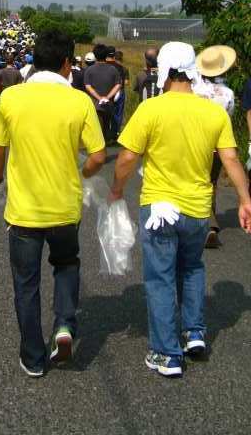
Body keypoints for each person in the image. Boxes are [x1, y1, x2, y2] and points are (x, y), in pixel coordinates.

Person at [111, 42, 251, 379]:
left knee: (160, 278)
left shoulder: (151, 110)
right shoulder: (214, 112)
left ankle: (166, 353)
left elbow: (128, 156)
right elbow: (230, 158)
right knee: (192, 268)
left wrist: (116, 190)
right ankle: (194, 334)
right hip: (198, 208)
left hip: (160, 207)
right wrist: (246, 200)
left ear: (163, 69)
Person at [0, 30, 106, 377]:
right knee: (66, 266)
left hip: (23, 212)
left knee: (26, 284)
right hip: (65, 208)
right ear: (67, 63)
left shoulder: (11, 98)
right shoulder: (79, 101)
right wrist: (81, 173)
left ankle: (33, 357)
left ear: (35, 60)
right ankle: (65, 326)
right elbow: (99, 156)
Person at [194, 46, 236, 248]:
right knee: (211, 183)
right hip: (217, 146)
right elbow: (230, 117)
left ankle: (200, 222)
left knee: (194, 180)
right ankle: (208, 222)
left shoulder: (193, 91)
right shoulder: (227, 94)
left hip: (194, 144)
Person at [84, 44, 122, 142]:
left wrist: (99, 97)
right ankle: (104, 148)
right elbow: (118, 85)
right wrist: (107, 97)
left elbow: (88, 86)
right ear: (106, 55)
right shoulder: (113, 69)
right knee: (105, 126)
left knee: (96, 129)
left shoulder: (89, 70)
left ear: (95, 55)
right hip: (109, 104)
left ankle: (98, 151)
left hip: (94, 104)